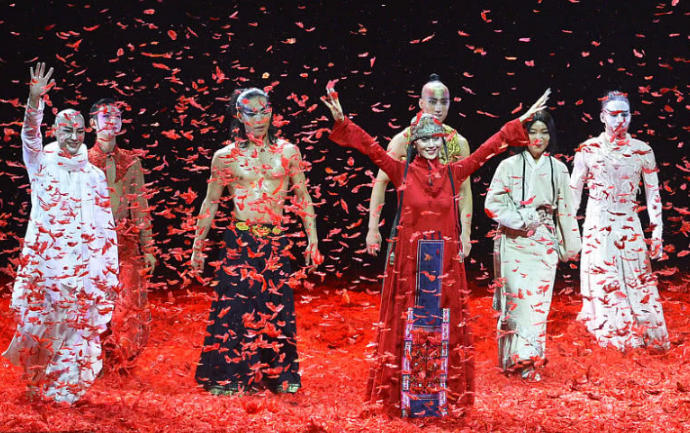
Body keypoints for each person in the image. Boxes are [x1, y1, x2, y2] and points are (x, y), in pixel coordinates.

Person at [322, 84, 548, 417]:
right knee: (409, 326)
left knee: (443, 327)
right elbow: (371, 149)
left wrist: (521, 122)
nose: (430, 144)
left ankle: (440, 399)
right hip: (410, 267)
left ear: (443, 142)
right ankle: (406, 399)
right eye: (424, 139)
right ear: (414, 143)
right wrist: (343, 121)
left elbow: (487, 149)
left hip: (444, 268)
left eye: (436, 139)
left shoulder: (454, 173)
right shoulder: (401, 172)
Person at [191, 87, 321, 395]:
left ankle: (278, 376)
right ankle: (229, 376)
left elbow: (303, 197)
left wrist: (312, 239)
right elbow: (210, 202)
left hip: (274, 240)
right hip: (240, 239)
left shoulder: (288, 152)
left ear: (272, 112)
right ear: (239, 115)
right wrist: (197, 246)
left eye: (264, 111)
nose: (259, 119)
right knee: (235, 308)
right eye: (251, 113)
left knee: (276, 308)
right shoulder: (224, 157)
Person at [2, 63, 118, 404]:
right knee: (39, 326)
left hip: (83, 267)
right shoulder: (42, 163)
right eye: (66, 130)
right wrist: (34, 102)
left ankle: (63, 392)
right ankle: (34, 383)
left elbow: (105, 226)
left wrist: (106, 270)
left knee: (76, 328)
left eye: (79, 131)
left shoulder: (94, 175)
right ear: (55, 130)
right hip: (47, 266)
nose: (73, 137)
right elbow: (29, 137)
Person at [484, 110, 581, 381]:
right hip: (513, 241)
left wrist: (569, 246)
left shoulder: (559, 169)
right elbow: (491, 204)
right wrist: (521, 218)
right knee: (517, 300)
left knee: (537, 303)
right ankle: (513, 357)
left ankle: (528, 361)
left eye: (544, 132)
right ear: (523, 135)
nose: (539, 138)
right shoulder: (508, 166)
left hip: (544, 242)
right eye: (533, 132)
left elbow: (566, 210)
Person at [569, 91, 668, 350]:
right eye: (613, 115)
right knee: (604, 277)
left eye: (625, 114)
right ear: (602, 117)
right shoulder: (587, 149)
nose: (620, 120)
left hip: (628, 221)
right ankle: (613, 334)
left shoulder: (642, 150)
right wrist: (567, 230)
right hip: (598, 221)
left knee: (636, 278)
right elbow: (573, 192)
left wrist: (657, 233)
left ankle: (639, 331)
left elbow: (653, 194)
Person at [365, 74, 474, 259]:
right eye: (432, 101)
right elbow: (381, 182)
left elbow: (464, 190)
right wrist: (373, 228)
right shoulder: (403, 140)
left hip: (445, 228)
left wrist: (466, 232)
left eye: (444, 102)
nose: (438, 108)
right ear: (421, 103)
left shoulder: (458, 143)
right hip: (410, 228)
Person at [87, 98, 156, 371]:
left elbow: (140, 207)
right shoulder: (82, 161)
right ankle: (97, 360)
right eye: (106, 116)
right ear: (92, 123)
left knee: (129, 301)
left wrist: (148, 248)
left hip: (124, 241)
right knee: (94, 301)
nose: (112, 121)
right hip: (91, 242)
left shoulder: (131, 162)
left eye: (117, 116)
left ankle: (122, 359)